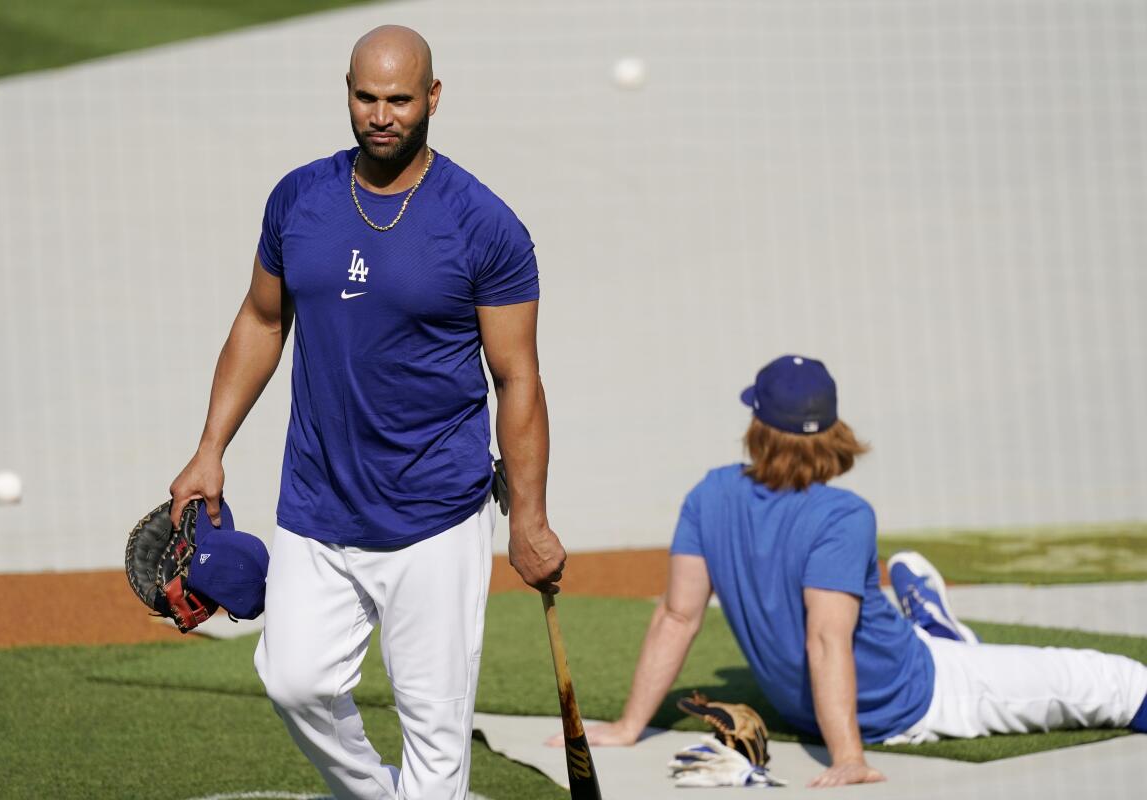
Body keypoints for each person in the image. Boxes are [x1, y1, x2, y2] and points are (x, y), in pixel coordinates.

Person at [168, 25, 566, 800]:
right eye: (365, 97)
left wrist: (530, 518)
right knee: (293, 681)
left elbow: (518, 378)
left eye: (398, 100)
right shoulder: (299, 199)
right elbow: (260, 319)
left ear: (433, 99)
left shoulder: (484, 225)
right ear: (346, 91)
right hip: (317, 503)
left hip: (434, 515)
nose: (380, 115)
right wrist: (209, 446)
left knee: (433, 727)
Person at [575, 354, 1147, 788]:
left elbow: (677, 615)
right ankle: (934, 631)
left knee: (945, 650)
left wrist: (630, 727)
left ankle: (935, 629)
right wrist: (848, 756)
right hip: (921, 696)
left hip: (843, 691)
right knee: (1120, 683)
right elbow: (826, 639)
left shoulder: (710, 493)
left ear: (756, 423)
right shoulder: (842, 514)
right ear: (833, 428)